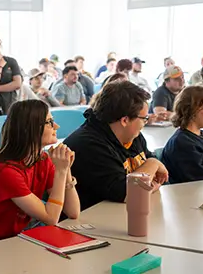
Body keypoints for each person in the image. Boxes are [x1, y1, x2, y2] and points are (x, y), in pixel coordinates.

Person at [0, 100, 80, 243]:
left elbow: (73, 211)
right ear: (29, 129)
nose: (56, 126)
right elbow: (51, 218)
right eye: (49, 122)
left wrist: (66, 170)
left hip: (14, 238)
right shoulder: (6, 171)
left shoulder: (43, 159)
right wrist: (61, 172)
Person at [64, 81, 168, 210]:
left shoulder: (131, 135)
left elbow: (155, 178)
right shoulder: (89, 145)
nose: (144, 124)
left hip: (121, 213)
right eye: (144, 119)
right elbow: (128, 193)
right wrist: (152, 164)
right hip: (90, 222)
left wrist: (146, 183)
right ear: (125, 120)